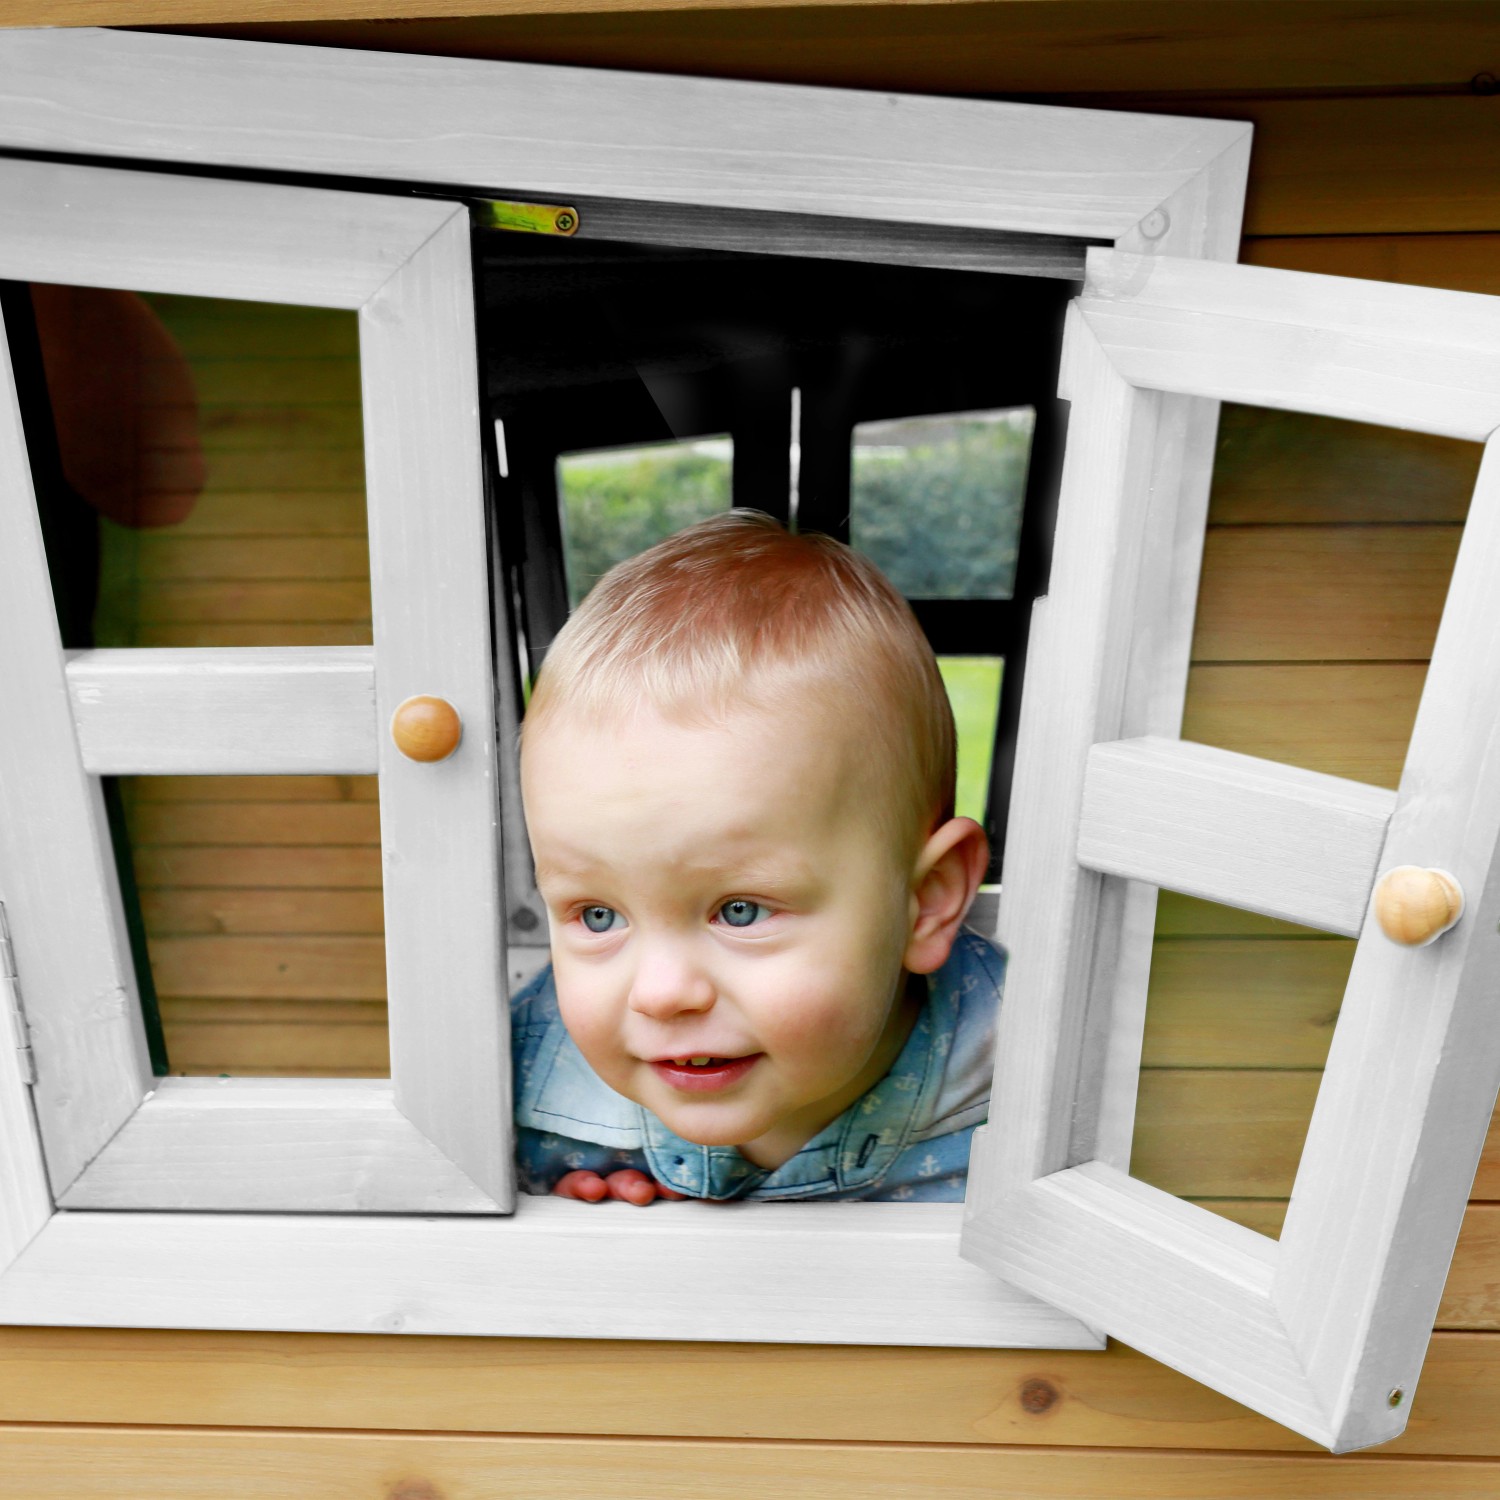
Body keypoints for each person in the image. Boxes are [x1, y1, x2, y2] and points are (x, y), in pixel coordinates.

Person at [512, 509, 1003, 1203]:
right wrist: (555, 1215)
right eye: (597, 916)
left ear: (924, 903)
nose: (661, 993)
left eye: (739, 911)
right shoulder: (520, 1068)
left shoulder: (1036, 1075)